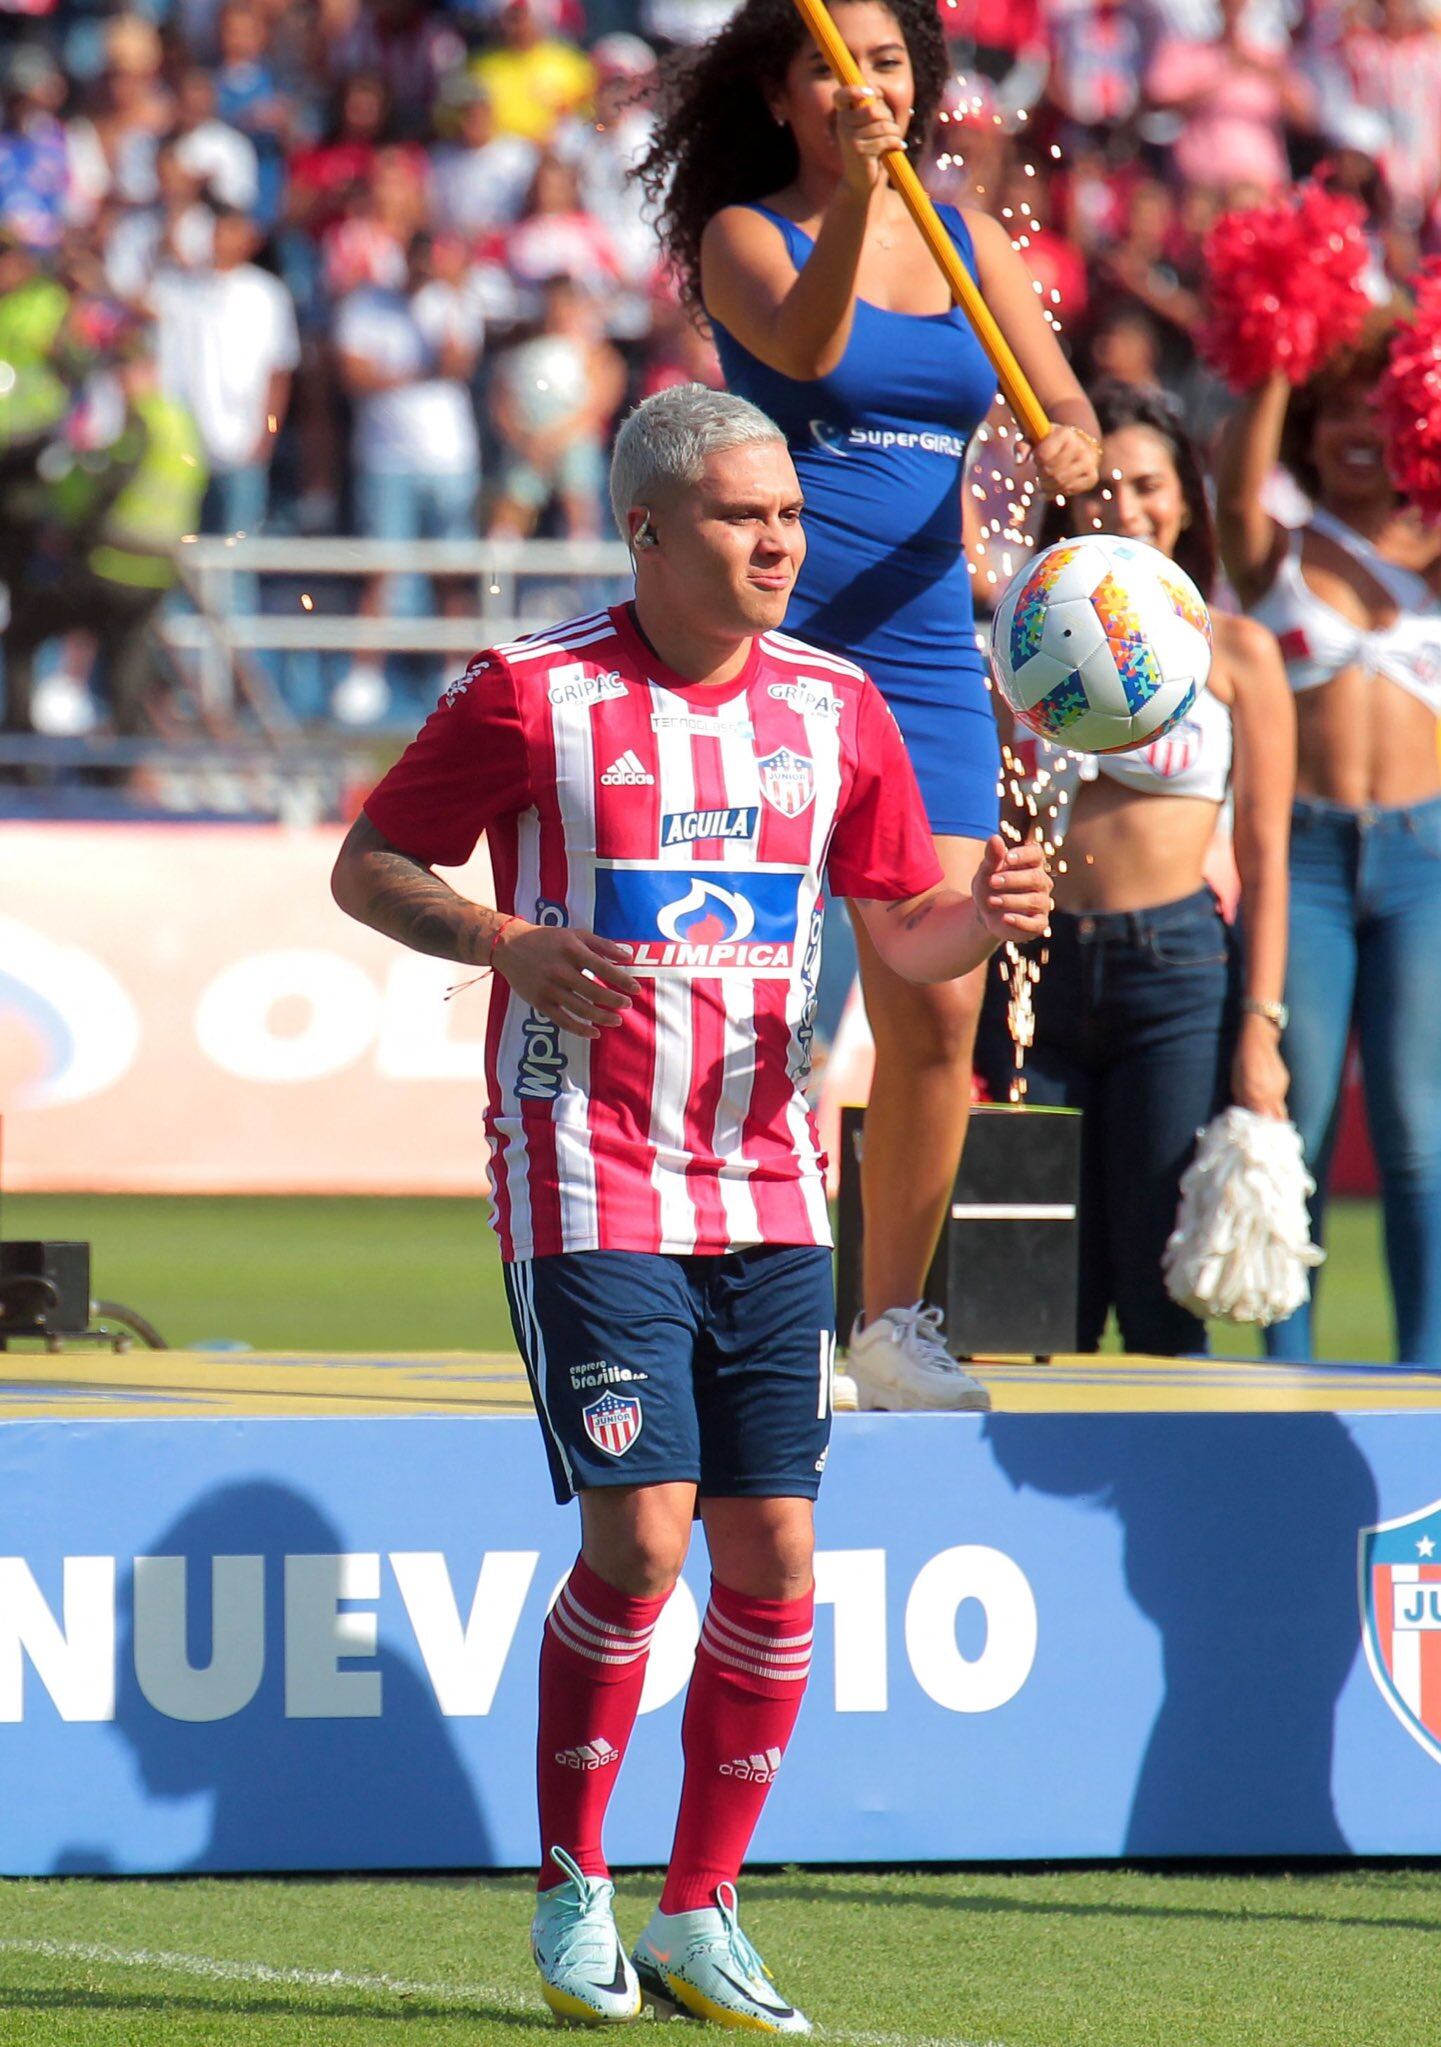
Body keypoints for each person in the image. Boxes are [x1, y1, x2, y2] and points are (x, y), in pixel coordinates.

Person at [330, 384, 1051, 2030]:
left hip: (772, 1172)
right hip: (588, 1165)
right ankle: (575, 1880)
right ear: (645, 530)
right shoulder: (532, 694)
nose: (779, 542)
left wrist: (981, 915)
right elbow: (368, 863)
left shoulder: (840, 705)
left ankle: (700, 1907)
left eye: (787, 514)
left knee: (776, 1555)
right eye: (741, 518)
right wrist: (506, 945)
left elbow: (906, 936)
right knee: (643, 1536)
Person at [639, 0, 1100, 1411]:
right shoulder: (742, 233)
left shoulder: (965, 240)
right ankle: (731, 1309)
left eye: (889, 61)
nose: (867, 87)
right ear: (783, 99)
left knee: (938, 1018)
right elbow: (819, 346)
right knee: (755, 1015)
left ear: (923, 77)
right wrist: (857, 185)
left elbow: (1064, 413)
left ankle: (892, 1322)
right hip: (769, 654)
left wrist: (1066, 438)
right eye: (835, 70)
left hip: (923, 667)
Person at [975, 381, 1295, 1354]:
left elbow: (1267, 853)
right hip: (1033, 970)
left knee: (1161, 1298)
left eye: (1147, 483)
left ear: (1186, 498)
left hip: (1178, 976)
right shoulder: (1018, 647)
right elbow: (989, 811)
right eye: (1101, 486)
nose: (1123, 505)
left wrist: (1261, 1028)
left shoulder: (1235, 652)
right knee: (1029, 1299)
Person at [1215, 317, 1441, 1365]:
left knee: (1414, 1125)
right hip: (1300, 862)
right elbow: (1235, 477)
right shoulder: (1276, 552)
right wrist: (1274, 356)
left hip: (1423, 862)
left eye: (1381, 409)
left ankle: (1426, 1368)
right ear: (1308, 429)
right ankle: (1287, 1375)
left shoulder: (1434, 554)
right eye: (1339, 409)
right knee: (1288, 1121)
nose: (1360, 430)